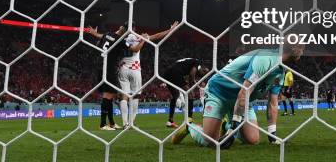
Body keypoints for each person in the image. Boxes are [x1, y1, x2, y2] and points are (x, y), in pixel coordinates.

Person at [172, 43, 304, 148]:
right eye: (301, 47)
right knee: (212, 142)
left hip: (243, 101)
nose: (303, 50)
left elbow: (273, 103)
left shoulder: (281, 71)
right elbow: (244, 91)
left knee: (253, 140)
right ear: (293, 48)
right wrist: (233, 130)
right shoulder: (265, 59)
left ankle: (227, 125)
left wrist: (272, 135)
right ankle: (190, 127)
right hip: (219, 93)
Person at [118, 21, 179, 127]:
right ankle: (131, 123)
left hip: (122, 68)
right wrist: (171, 29)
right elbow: (157, 36)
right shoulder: (136, 36)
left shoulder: (119, 38)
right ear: (134, 28)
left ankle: (124, 123)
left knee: (124, 96)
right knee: (135, 96)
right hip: (135, 69)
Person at [87, 25, 126, 130]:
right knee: (107, 96)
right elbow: (134, 49)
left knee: (111, 95)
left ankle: (112, 123)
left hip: (101, 66)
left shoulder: (108, 34)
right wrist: (143, 41)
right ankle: (103, 124)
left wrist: (94, 33)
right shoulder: (120, 40)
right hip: (108, 69)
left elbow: (101, 36)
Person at [162, 57, 203, 128]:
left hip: (167, 73)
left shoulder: (187, 61)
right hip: (176, 72)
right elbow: (192, 73)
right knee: (190, 95)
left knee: (175, 95)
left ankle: (170, 121)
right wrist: (191, 86)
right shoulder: (197, 62)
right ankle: (189, 121)